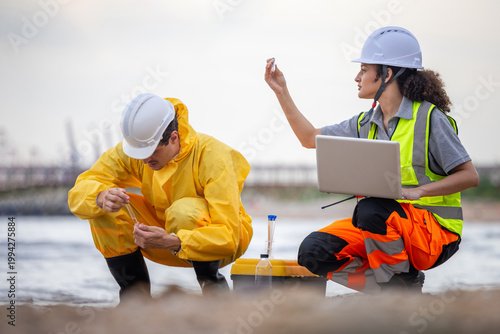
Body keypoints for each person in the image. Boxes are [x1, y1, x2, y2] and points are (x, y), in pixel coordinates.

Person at [264, 26, 479, 293]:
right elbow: (309, 138)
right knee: (313, 252)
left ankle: (400, 281)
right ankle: (397, 290)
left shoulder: (430, 119)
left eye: (364, 69)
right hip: (386, 223)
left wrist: (418, 192)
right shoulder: (366, 123)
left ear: (387, 74)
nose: (357, 77)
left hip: (436, 234)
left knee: (371, 209)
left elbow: (470, 176)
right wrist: (281, 92)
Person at [68, 93, 252, 300]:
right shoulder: (137, 150)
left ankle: (213, 290)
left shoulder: (214, 157)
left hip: (217, 244)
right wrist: (100, 196)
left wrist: (173, 241)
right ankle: (135, 300)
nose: (145, 159)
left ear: (174, 138)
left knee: (184, 211)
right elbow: (79, 191)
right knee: (105, 205)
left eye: (152, 151)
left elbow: (228, 237)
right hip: (159, 237)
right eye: (140, 153)